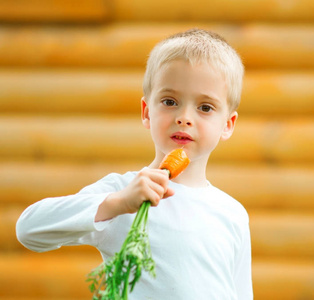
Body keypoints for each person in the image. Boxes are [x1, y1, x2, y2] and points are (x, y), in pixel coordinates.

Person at [16, 28, 253, 300]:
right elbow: (28, 230)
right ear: (146, 112)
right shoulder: (123, 192)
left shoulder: (233, 213)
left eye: (205, 107)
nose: (184, 117)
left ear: (228, 124)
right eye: (170, 101)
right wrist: (117, 202)